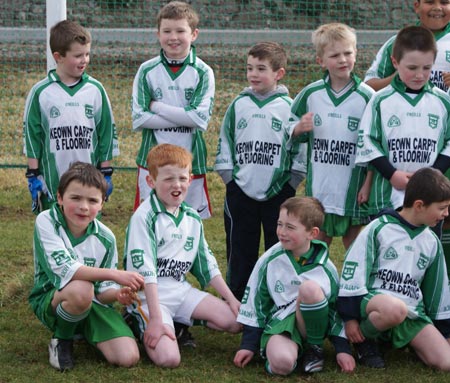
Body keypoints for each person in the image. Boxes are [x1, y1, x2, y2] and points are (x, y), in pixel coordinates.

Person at [123, 143, 241, 368]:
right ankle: (136, 318)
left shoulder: (191, 217)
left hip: (180, 290)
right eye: (168, 179)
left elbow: (206, 265)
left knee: (235, 321)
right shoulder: (144, 217)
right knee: (169, 359)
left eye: (182, 178)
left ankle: (177, 321)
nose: (176, 185)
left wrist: (232, 299)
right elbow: (145, 273)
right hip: (149, 298)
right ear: (151, 181)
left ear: (190, 179)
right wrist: (156, 319)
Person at [28, 162, 145, 372]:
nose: (84, 206)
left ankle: (83, 328)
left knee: (128, 357)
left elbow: (102, 291)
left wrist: (117, 295)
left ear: (102, 204)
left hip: (91, 301)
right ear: (60, 197)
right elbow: (67, 270)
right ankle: (61, 340)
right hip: (51, 298)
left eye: (92, 200)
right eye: (76, 198)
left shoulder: (106, 237)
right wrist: (116, 274)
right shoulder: (46, 221)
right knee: (81, 289)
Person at [214, 41, 307, 302]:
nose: (253, 74)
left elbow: (300, 150)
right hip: (241, 190)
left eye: (261, 69)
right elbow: (225, 142)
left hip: (278, 191)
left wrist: (291, 184)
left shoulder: (290, 107)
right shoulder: (238, 105)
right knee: (241, 246)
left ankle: (274, 293)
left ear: (279, 74)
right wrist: (230, 181)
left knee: (276, 245)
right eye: (249, 68)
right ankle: (236, 295)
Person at [337, 167, 450, 371]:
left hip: (411, 312)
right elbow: (354, 272)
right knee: (394, 309)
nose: (446, 213)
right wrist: (350, 318)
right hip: (375, 305)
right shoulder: (379, 228)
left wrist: (444, 332)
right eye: (442, 208)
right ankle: (364, 341)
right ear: (419, 205)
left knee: (445, 362)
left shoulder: (432, 240)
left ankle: (404, 343)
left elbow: (437, 289)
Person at [233, 196, 356, 375]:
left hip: (312, 327)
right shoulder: (269, 260)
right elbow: (255, 302)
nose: (281, 232)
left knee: (310, 289)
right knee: (282, 365)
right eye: (279, 224)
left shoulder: (326, 268)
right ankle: (285, 355)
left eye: (290, 227)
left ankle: (314, 350)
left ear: (312, 233)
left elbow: (336, 310)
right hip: (282, 325)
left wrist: (342, 349)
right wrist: (248, 345)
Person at [291, 23, 374, 251]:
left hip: (353, 188)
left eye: (348, 53)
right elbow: (288, 126)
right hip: (320, 189)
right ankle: (317, 285)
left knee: (355, 248)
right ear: (321, 61)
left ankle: (353, 286)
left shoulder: (368, 97)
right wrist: (299, 128)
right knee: (317, 245)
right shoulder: (311, 94)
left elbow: (376, 145)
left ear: (356, 54)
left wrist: (368, 184)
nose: (342, 59)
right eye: (334, 55)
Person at [23, 20, 118, 214]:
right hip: (52, 184)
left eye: (87, 54)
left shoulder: (96, 90)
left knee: (87, 234)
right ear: (58, 56)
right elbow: (32, 136)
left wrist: (106, 172)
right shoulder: (41, 92)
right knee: (53, 234)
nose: (84, 60)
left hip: (89, 183)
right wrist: (33, 175)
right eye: (78, 56)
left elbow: (106, 133)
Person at [355, 25, 450, 218]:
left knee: (427, 246)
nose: (420, 75)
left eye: (427, 68)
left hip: (429, 196)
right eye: (412, 68)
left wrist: (432, 175)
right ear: (395, 62)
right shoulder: (380, 100)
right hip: (387, 196)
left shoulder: (442, 101)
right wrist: (391, 174)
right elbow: (367, 140)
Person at [131, 1, 214, 220]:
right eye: (167, 31)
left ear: (194, 34)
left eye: (180, 31)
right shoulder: (147, 70)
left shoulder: (203, 72)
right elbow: (139, 118)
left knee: (189, 224)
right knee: (149, 220)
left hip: (191, 162)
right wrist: (183, 117)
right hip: (152, 163)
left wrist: (157, 107)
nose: (173, 37)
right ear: (158, 34)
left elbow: (198, 118)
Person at [364, 0, 450, 92]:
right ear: (417, 6)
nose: (437, 8)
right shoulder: (398, 42)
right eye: (430, 2)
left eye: (444, 2)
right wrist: (398, 77)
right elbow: (369, 86)